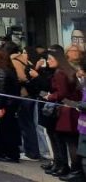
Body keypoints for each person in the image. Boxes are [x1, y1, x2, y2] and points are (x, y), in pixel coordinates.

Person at [43, 49, 81, 177]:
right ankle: (73, 169)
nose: (47, 62)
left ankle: (76, 171)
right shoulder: (69, 70)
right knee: (72, 141)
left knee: (70, 142)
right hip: (73, 109)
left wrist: (50, 97)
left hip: (67, 110)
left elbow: (62, 93)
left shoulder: (60, 73)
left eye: (50, 59)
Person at [0, 45, 23, 163]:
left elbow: (1, 91)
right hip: (12, 103)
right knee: (8, 129)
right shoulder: (9, 69)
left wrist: (0, 107)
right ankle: (4, 151)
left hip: (6, 104)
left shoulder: (1, 71)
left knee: (5, 129)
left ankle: (8, 153)